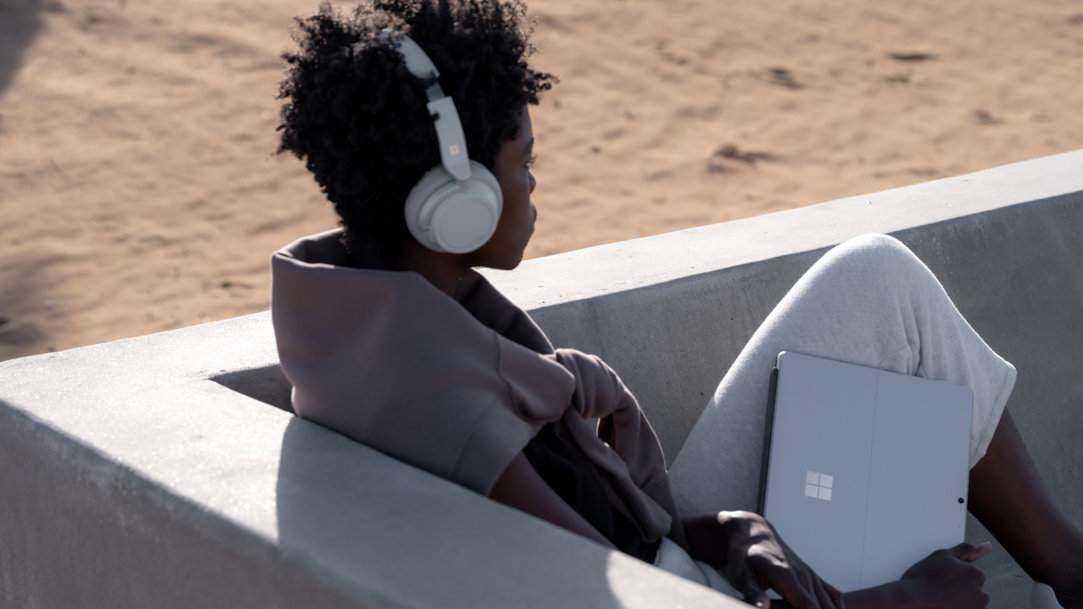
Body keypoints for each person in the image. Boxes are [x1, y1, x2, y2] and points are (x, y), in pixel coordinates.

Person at [270, 1, 1083, 607]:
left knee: (876, 278)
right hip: (680, 588)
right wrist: (898, 602)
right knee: (883, 293)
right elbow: (628, 593)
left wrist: (732, 530)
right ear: (457, 207)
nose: (532, 184)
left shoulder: (367, 312)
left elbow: (615, 537)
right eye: (522, 164)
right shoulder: (438, 399)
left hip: (672, 554)